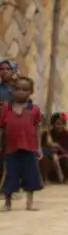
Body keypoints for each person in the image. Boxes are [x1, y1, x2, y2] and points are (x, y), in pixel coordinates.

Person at [0, 77, 44, 211]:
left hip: (29, 147)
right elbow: (2, 128)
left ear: (31, 92)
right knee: (11, 174)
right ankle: (7, 202)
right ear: (13, 90)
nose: (20, 92)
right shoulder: (6, 109)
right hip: (11, 148)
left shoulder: (34, 109)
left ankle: (30, 202)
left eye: (25, 90)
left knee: (30, 174)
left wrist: (39, 147)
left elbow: (37, 128)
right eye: (17, 89)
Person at [40, 112, 68, 183]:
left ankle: (64, 179)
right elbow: (42, 147)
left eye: (62, 124)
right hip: (50, 158)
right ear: (53, 124)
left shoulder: (67, 135)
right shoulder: (47, 134)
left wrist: (58, 146)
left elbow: (67, 151)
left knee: (66, 161)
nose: (59, 126)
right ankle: (45, 179)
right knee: (44, 159)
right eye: (57, 124)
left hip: (62, 157)